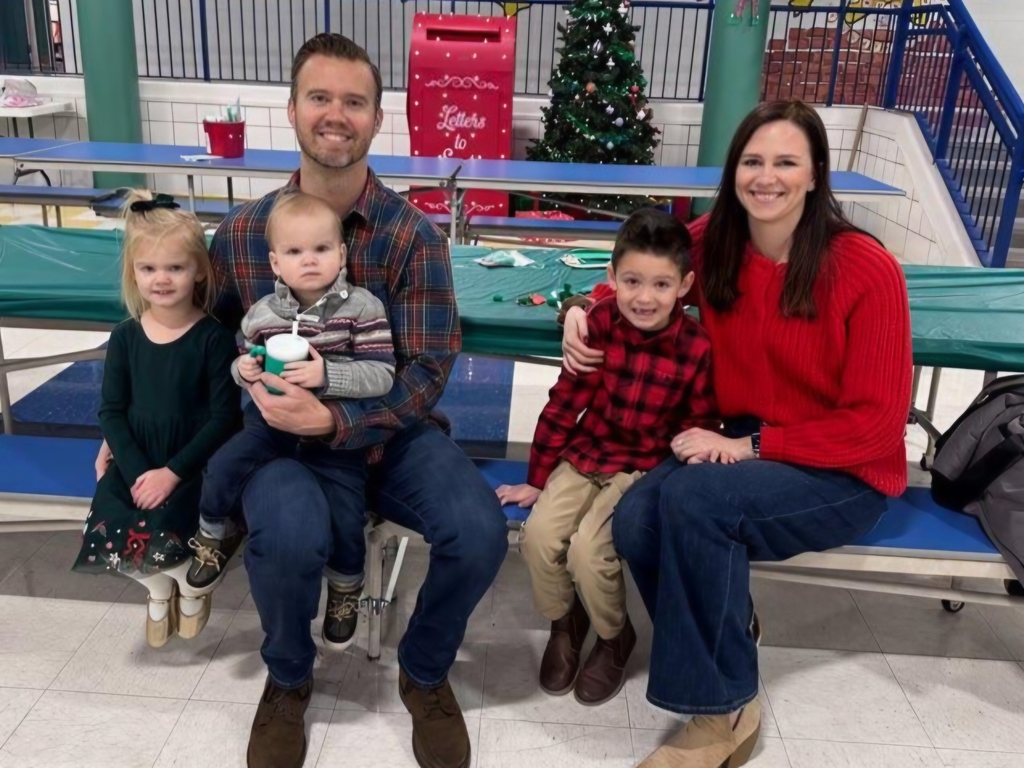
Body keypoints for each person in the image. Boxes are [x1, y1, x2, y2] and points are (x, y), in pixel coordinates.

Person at [80, 33, 509, 768]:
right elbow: (201, 352)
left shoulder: (412, 236)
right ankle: (287, 679)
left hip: (393, 434)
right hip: (281, 438)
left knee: (480, 533)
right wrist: (135, 431)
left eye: (354, 101)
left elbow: (430, 368)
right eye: (320, 97)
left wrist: (338, 417)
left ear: (378, 119)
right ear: (292, 110)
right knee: (285, 537)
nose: (335, 114)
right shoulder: (245, 232)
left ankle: (426, 672)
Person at [560, 100, 913, 767]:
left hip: (842, 468)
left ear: (814, 174)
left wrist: (753, 447)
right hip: (742, 437)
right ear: (733, 171)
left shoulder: (866, 269)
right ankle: (728, 638)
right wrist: (582, 311)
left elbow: (876, 428)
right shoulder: (717, 241)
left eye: (786, 162)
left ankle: (721, 709)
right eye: (753, 161)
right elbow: (642, 279)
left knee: (695, 502)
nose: (767, 177)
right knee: (637, 519)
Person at [497, 208, 718, 707]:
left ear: (684, 286)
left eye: (661, 285)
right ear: (611, 277)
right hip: (588, 453)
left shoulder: (696, 348)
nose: (645, 297)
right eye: (633, 281)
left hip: (642, 467)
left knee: (589, 552)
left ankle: (615, 637)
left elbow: (699, 427)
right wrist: (537, 478)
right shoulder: (597, 322)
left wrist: (689, 473)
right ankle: (564, 623)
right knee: (537, 538)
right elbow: (565, 401)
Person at [187, 190, 395, 655]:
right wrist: (244, 372)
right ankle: (214, 532)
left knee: (345, 511)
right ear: (276, 262)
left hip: (335, 437)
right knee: (223, 464)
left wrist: (327, 374)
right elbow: (245, 359)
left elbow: (382, 374)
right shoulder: (263, 315)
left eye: (321, 249)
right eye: (295, 252)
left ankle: (345, 585)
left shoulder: (363, 310)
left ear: (341, 254)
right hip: (270, 427)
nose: (310, 261)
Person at [75, 191, 241, 648]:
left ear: (200, 270)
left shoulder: (213, 338)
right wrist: (133, 464)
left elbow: (224, 417)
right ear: (134, 272)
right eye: (149, 269)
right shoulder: (126, 336)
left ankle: (189, 585)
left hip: (190, 458)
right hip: (137, 455)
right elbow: (111, 409)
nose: (161, 279)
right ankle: (157, 587)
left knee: (175, 534)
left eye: (175, 267)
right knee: (117, 529)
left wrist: (171, 473)